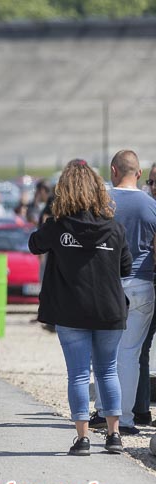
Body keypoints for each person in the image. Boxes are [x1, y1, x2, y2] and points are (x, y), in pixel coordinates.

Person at [28, 158, 131, 456]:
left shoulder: (58, 227)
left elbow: (35, 244)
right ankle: (114, 436)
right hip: (110, 310)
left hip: (71, 310)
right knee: (108, 371)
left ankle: (83, 439)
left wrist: (51, 220)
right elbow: (124, 268)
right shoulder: (114, 228)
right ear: (99, 191)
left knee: (77, 374)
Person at [90, 150, 156, 435]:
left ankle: (104, 412)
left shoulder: (101, 202)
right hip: (141, 282)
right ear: (139, 174)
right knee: (130, 354)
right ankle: (125, 419)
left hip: (106, 284)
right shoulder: (150, 204)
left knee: (105, 354)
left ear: (113, 170)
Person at [134, 165, 156, 426]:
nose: (153, 186)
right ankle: (141, 410)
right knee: (140, 348)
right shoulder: (146, 207)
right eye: (151, 181)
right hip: (146, 285)